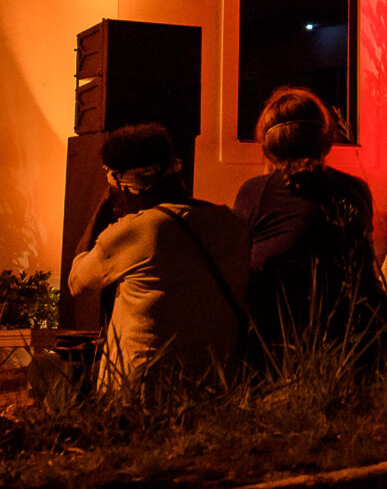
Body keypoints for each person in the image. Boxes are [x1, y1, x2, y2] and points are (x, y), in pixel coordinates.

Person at [67, 123, 253, 390]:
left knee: (47, 371)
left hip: (143, 393)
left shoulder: (140, 230)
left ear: (125, 185)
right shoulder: (231, 223)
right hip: (216, 387)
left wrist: (104, 203)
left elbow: (77, 281)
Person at [231, 89, 387, 358]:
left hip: (279, 348)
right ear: (325, 139)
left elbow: (241, 268)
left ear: (269, 145)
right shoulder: (356, 189)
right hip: (361, 343)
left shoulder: (254, 193)